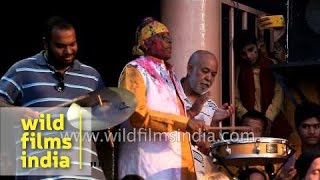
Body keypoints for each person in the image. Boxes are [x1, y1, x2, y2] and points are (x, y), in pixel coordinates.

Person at [0, 16, 105, 179]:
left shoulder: (92, 76)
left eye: (72, 44)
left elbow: (104, 118)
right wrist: (15, 112)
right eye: (60, 46)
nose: (69, 51)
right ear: (45, 43)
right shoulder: (22, 70)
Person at [117, 17, 207, 180]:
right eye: (163, 38)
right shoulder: (134, 70)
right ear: (145, 43)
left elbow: (174, 118)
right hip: (147, 165)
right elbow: (136, 114)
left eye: (169, 38)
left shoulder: (169, 74)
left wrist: (191, 115)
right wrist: (185, 123)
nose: (170, 41)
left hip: (171, 163)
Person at [180, 50, 234, 179]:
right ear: (189, 69)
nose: (209, 78)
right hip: (173, 171)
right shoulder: (171, 95)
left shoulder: (211, 106)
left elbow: (212, 148)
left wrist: (215, 121)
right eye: (205, 71)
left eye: (213, 74)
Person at [234, 29, 292, 139]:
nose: (249, 56)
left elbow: (278, 94)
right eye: (243, 53)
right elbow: (235, 97)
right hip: (248, 123)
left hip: (272, 119)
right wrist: (247, 118)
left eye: (251, 50)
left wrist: (268, 117)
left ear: (258, 45)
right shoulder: (239, 70)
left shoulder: (271, 64)